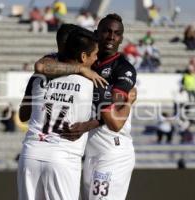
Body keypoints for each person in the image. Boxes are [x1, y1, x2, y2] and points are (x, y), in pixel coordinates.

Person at [35, 14, 137, 200]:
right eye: (107, 31)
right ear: (96, 33)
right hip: (89, 153)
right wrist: (81, 69)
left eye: (117, 33)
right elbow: (42, 66)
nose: (111, 37)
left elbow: (114, 111)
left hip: (112, 150)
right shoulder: (83, 58)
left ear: (121, 38)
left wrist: (87, 125)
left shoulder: (123, 68)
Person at [17, 28, 100, 200]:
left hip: (30, 154)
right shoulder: (91, 81)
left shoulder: (38, 77)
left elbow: (23, 114)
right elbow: (111, 115)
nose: (97, 59)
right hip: (64, 158)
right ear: (83, 57)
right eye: (95, 55)